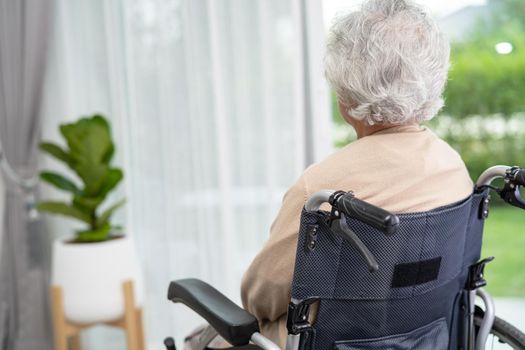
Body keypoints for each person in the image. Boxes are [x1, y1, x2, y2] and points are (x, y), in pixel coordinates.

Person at [240, 0, 473, 348]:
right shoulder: (453, 167)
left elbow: (261, 297)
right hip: (428, 338)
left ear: (345, 98)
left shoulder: (320, 190)